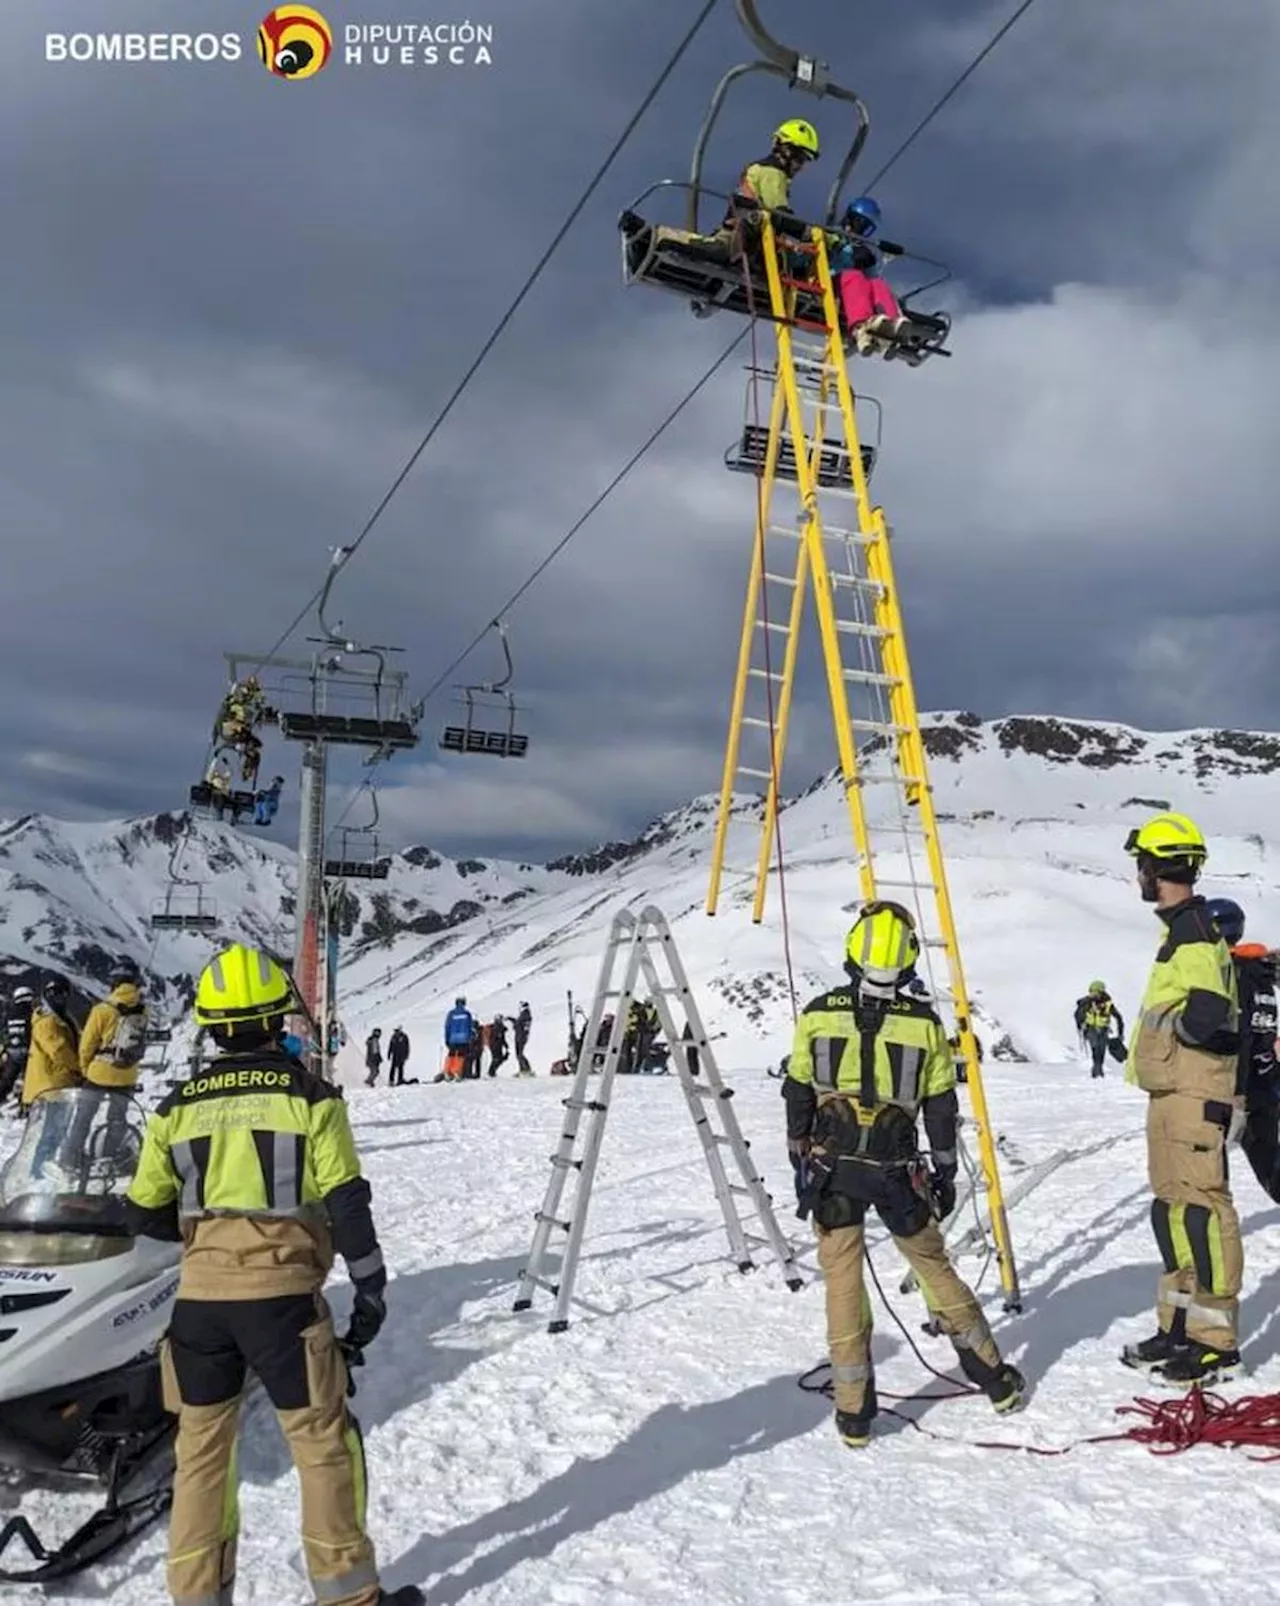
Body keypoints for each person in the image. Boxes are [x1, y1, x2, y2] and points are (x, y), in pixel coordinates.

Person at [123, 944, 422, 1606]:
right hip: (285, 1304)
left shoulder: (175, 1108)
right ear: (276, 1019)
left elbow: (144, 1212)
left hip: (199, 1307)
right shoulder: (310, 1098)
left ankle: (198, 1597)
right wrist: (369, 1287)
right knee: (323, 1447)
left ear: (210, 1024)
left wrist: (207, 1241)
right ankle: (349, 1595)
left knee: (201, 1457)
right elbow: (348, 1202)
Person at [786, 901, 1025, 1446]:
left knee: (842, 1282)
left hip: (833, 1169)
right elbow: (941, 1109)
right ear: (911, 956)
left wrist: (800, 1157)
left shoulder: (819, 1013)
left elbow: (797, 1089)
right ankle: (994, 1379)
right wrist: (943, 1174)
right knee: (934, 1269)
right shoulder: (923, 1025)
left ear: (853, 948)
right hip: (896, 1171)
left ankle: (853, 1415)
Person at [1121, 813, 1242, 1385]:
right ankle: (1179, 1326)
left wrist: (1176, 1044)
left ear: (1159, 865)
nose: (1139, 874)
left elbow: (1210, 1010)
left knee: (1202, 1210)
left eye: (1141, 863)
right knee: (1170, 1210)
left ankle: (1215, 1340)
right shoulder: (1180, 931)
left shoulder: (1194, 931)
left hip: (1193, 1090)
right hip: (1171, 1091)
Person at [1204, 897, 1280, 1203]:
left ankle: (1210, 1227)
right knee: (1270, 1161)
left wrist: (1237, 1095)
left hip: (1238, 1086)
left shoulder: (1233, 975)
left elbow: (1244, 1033)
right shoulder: (1261, 974)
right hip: (1267, 1083)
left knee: (1207, 1166)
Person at [829, 197, 907, 355]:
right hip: (830, 282)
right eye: (859, 224)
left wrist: (872, 263)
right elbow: (826, 244)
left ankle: (891, 325)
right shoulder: (834, 234)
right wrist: (847, 251)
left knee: (878, 283)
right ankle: (860, 326)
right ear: (849, 219)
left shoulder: (863, 251)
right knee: (855, 276)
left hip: (853, 290)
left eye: (866, 228)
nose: (861, 231)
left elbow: (872, 279)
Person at [721, 119, 820, 234]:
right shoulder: (771, 173)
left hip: (743, 239)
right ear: (785, 151)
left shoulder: (763, 170)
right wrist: (815, 234)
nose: (801, 167)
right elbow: (782, 217)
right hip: (740, 244)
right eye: (800, 159)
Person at [1073, 980, 1125, 1079]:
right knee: (1096, 1048)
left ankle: (1098, 1071)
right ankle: (1097, 1071)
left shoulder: (1108, 1004)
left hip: (1103, 1030)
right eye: (1091, 991)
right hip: (1090, 1029)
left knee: (1101, 1050)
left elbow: (1118, 1017)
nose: (1092, 994)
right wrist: (1080, 1026)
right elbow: (1078, 1015)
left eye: (1095, 991)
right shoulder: (1086, 1003)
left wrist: (1120, 1033)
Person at [443, 997, 474, 1082]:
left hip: (452, 1038)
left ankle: (447, 1071)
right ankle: (457, 1071)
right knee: (460, 1056)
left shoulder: (451, 1014)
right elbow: (470, 1027)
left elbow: (447, 1027)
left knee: (451, 1055)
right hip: (463, 1039)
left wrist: (446, 1038)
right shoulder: (467, 1014)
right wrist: (470, 1038)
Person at [512, 1001, 533, 1077]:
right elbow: (518, 1024)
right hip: (519, 1036)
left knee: (520, 1054)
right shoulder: (523, 1015)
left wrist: (523, 1033)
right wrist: (512, 1020)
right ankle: (523, 1069)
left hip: (521, 1037)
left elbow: (524, 1026)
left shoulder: (526, 1015)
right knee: (518, 1054)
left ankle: (525, 1069)